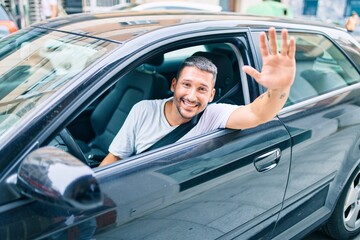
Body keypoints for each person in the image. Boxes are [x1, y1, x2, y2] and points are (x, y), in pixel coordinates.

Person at [100, 27, 296, 167]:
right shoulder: (143, 109)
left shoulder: (213, 115)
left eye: (202, 89)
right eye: (186, 85)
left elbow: (257, 113)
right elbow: (115, 157)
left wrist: (280, 88)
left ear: (211, 95)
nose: (191, 97)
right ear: (174, 85)